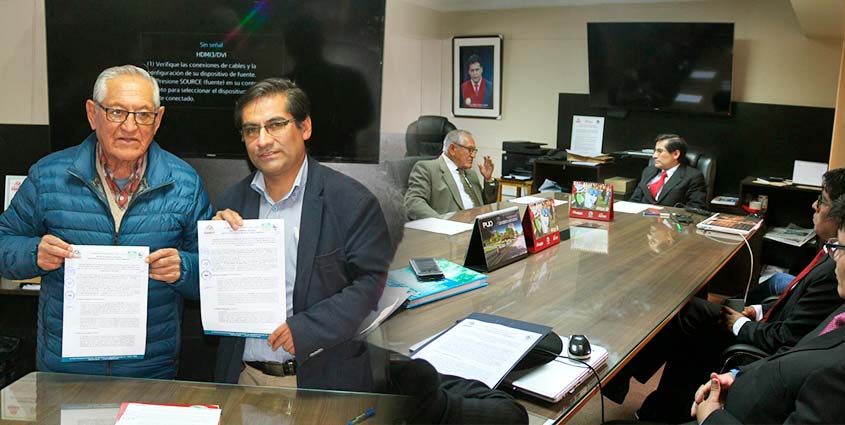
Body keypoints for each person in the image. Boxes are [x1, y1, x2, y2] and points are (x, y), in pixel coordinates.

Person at [0, 65, 213, 378]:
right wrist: (34, 253)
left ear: (158, 120)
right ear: (92, 114)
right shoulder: (49, 176)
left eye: (143, 114)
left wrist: (185, 268)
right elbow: (4, 242)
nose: (130, 126)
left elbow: (214, 273)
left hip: (149, 371)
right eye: (116, 112)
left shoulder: (184, 184)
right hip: (66, 371)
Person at [609, 167, 845, 422]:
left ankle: (644, 395)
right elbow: (799, 312)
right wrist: (758, 310)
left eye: (822, 200)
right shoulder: (832, 258)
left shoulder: (833, 274)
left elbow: (787, 339)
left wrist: (740, 325)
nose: (814, 205)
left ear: (841, 213)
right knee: (687, 310)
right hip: (767, 335)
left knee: (692, 321)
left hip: (764, 355)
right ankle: (647, 395)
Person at [213, 78, 392, 390]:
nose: (262, 140)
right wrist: (215, 247)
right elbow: (216, 294)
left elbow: (373, 284)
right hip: (244, 378)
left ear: (305, 127)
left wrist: (309, 328)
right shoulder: (232, 202)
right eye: (251, 130)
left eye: (275, 125)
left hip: (319, 382)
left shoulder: (352, 202)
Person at [691, 191, 845, 424]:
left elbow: (788, 340)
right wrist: (736, 375)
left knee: (693, 318)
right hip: (745, 384)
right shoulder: (844, 309)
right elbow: (799, 348)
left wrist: (711, 418)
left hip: (737, 412)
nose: (835, 256)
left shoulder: (842, 371)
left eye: (842, 248)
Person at [404, 130, 497, 220]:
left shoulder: (471, 174)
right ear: (452, 149)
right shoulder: (427, 169)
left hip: (478, 226)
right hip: (450, 227)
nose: (473, 155)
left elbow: (486, 206)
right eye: (469, 150)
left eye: (474, 151)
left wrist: (488, 179)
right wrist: (440, 222)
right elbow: (413, 202)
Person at [629, 134, 707, 209]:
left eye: (660, 151)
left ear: (676, 154)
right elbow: (634, 201)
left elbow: (695, 209)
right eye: (655, 151)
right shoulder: (648, 171)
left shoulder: (693, 177)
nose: (654, 156)